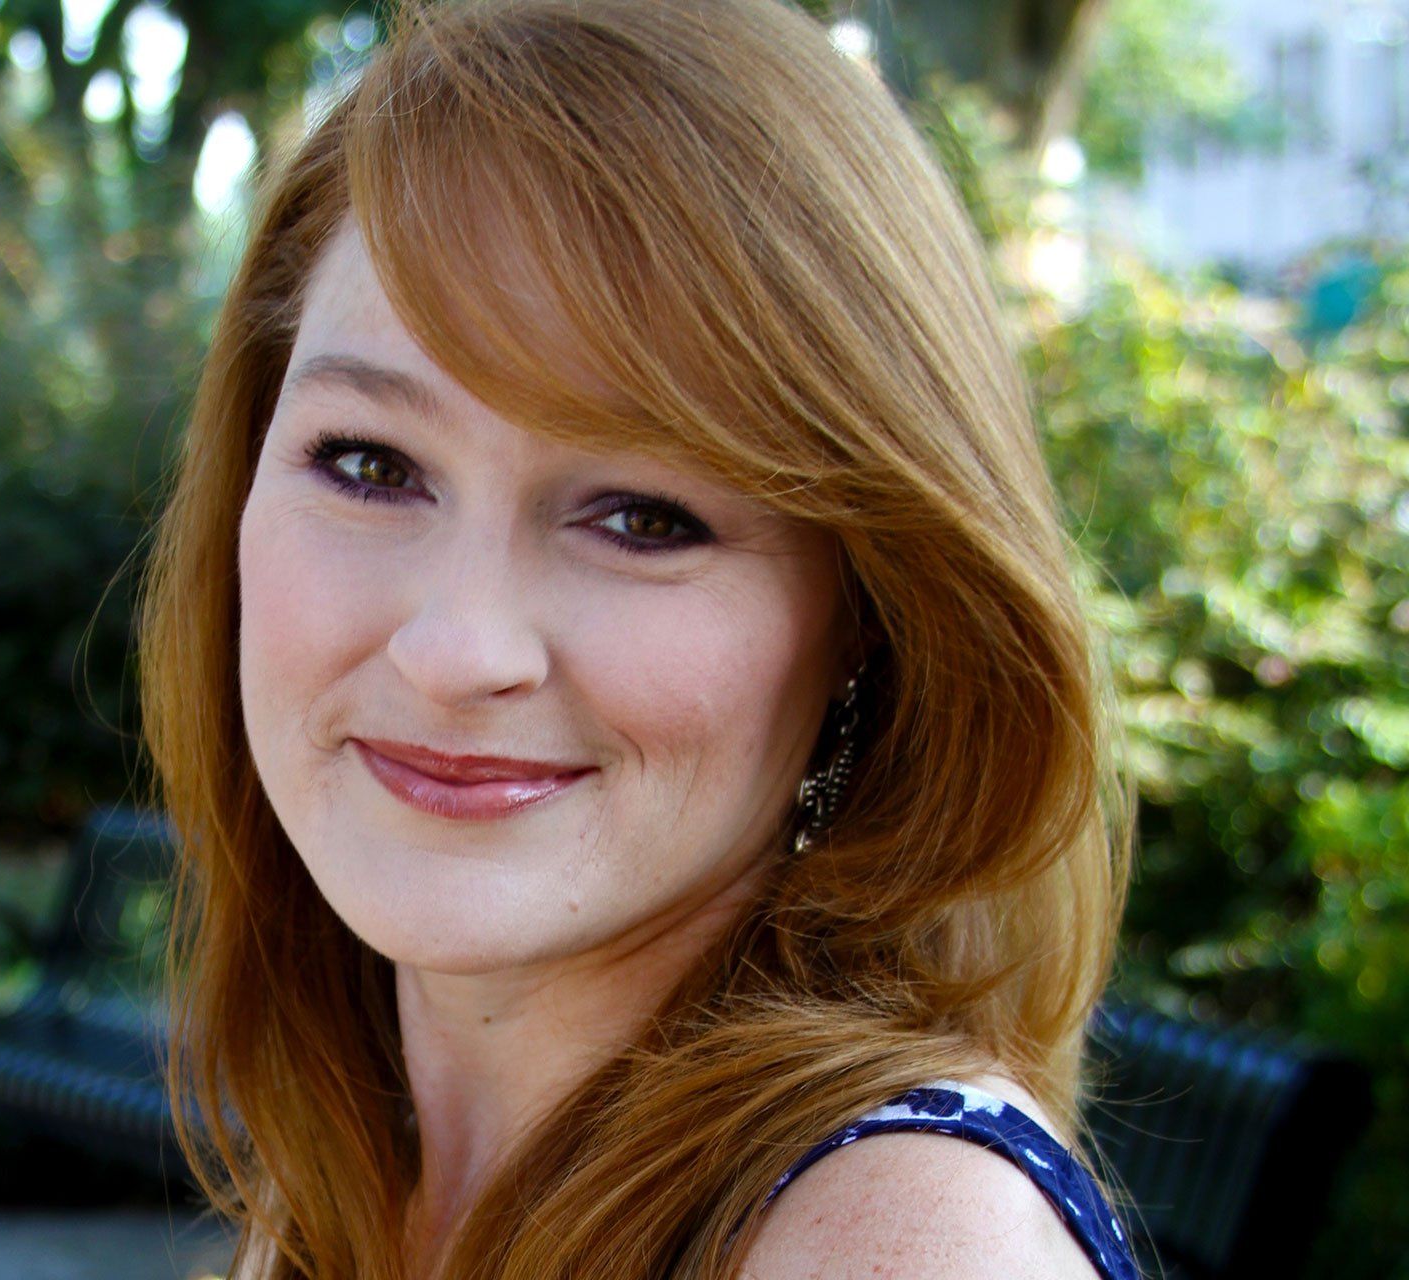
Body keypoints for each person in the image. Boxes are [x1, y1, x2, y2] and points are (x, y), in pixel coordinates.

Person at [135, 0, 1141, 1276]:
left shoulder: (895, 1240)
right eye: (371, 462)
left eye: (645, 516)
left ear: (871, 619)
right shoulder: (364, 1179)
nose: (456, 647)